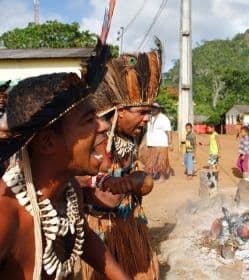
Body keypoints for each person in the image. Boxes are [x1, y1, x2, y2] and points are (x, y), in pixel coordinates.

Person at [0, 71, 129, 279]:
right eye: (89, 120)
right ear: (48, 142)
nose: (104, 125)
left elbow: (82, 235)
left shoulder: (70, 191)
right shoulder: (5, 213)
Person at [81, 45, 162, 279]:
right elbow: (76, 180)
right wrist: (98, 183)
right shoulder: (93, 139)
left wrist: (135, 182)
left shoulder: (131, 139)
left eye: (149, 112)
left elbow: (144, 182)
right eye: (141, 112)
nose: (146, 119)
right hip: (101, 234)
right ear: (119, 112)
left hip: (131, 227)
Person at [142, 102, 173, 182]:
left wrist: (170, 143)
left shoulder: (164, 118)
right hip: (151, 144)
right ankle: (151, 176)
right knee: (150, 161)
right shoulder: (149, 118)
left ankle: (162, 177)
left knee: (161, 162)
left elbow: (168, 131)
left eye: (155, 108)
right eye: (152, 107)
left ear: (159, 109)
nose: (153, 109)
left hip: (161, 144)